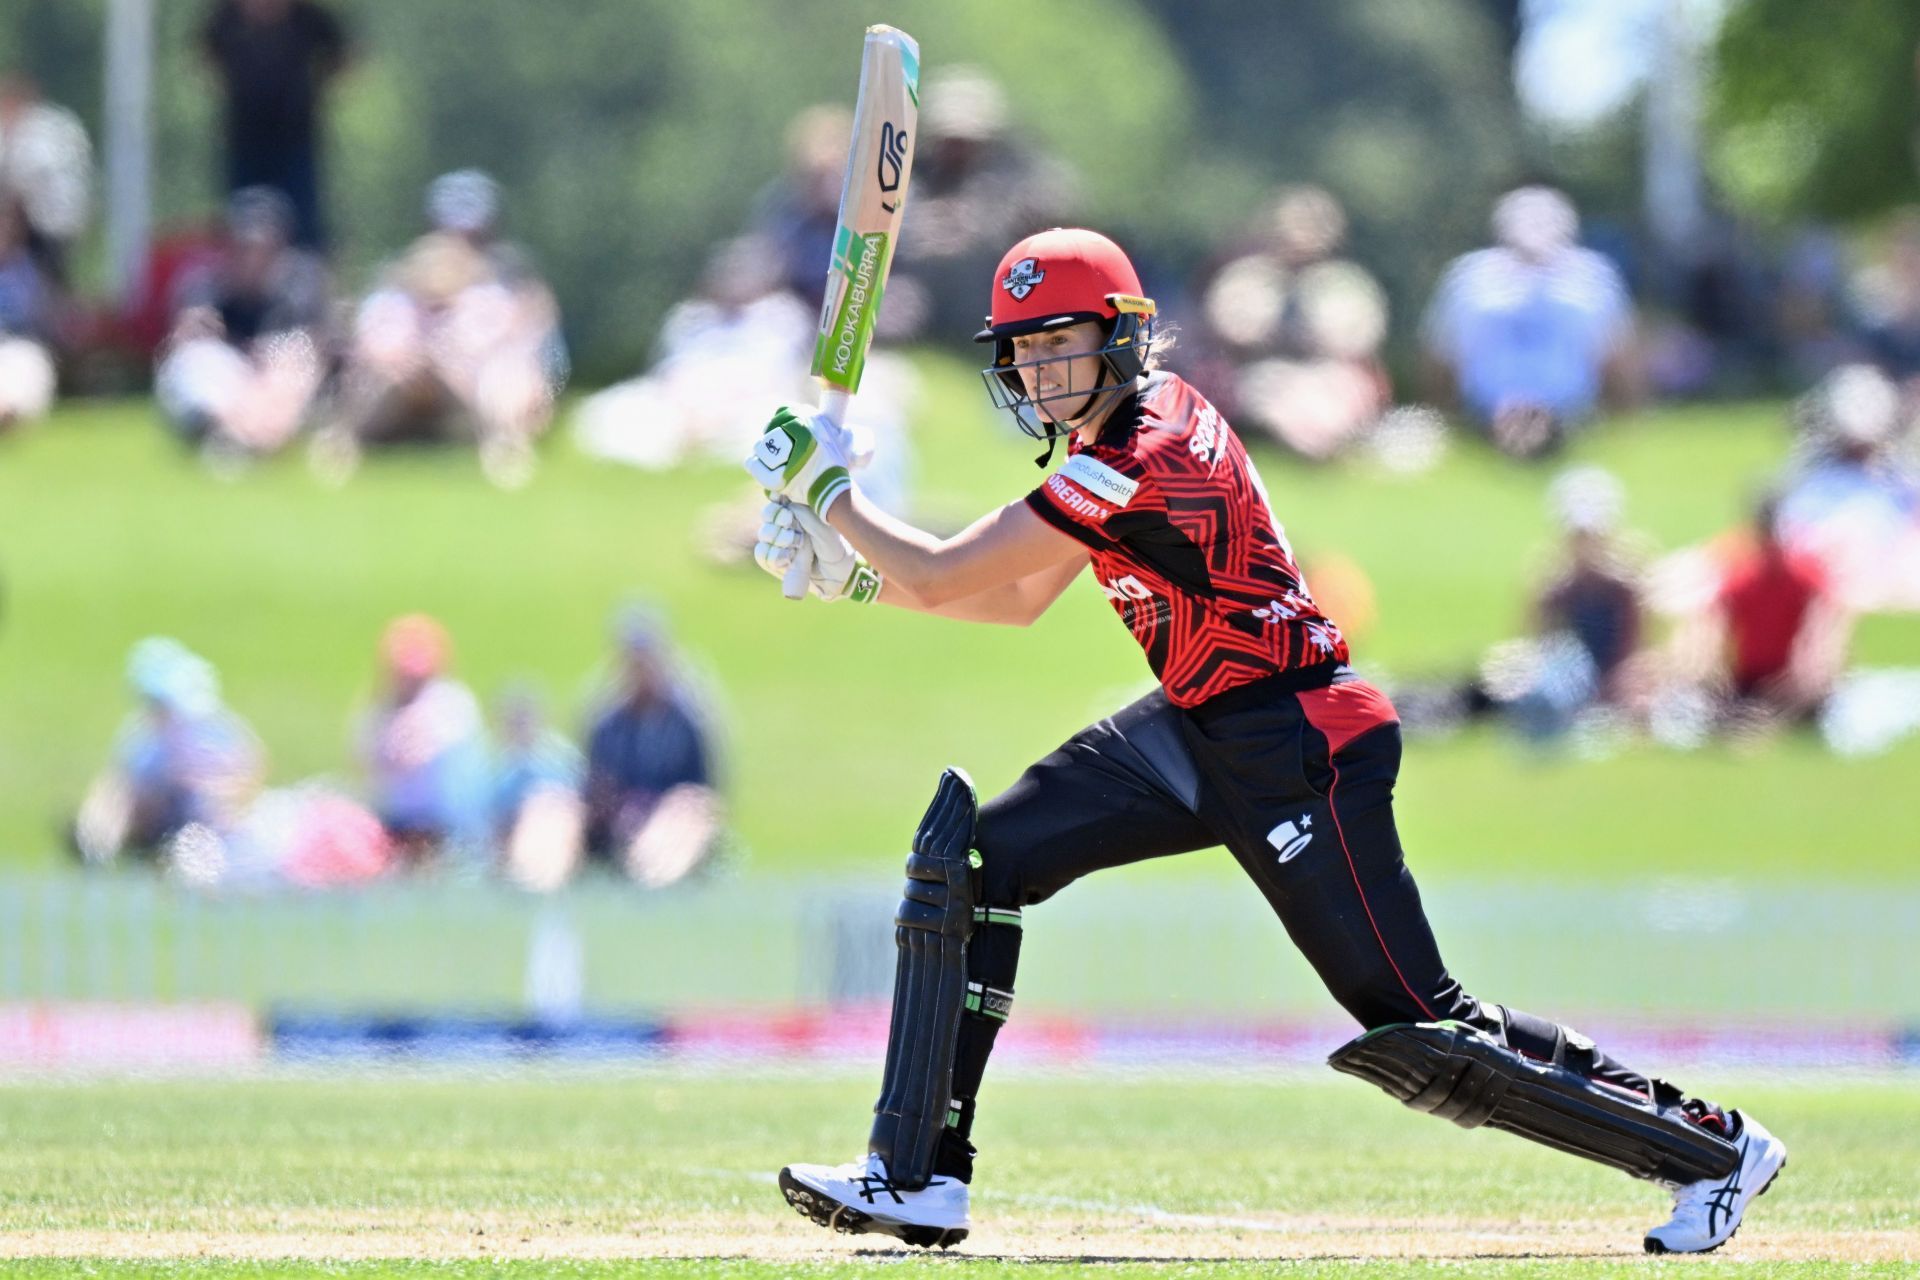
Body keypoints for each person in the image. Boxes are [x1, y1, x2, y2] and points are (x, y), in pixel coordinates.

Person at [746, 227, 1784, 1254]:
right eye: (1020, 348)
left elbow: (950, 570)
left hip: (1298, 739)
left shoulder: (1137, 455)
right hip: (1199, 724)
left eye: (1059, 341)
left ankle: (1714, 1149)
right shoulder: (1116, 439)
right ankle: (918, 1176)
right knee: (980, 859)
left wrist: (831, 494)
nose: (1038, 368)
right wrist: (857, 569)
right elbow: (1010, 598)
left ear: (1119, 336)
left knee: (1426, 1028)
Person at [320, 170, 565, 488]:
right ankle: (343, 445)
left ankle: (505, 448)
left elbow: (529, 348)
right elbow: (371, 343)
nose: (457, 244)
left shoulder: (508, 281)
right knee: (373, 376)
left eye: (470, 234)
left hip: (474, 391)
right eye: (447, 231)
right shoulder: (399, 278)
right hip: (404, 388)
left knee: (505, 375)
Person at [1422, 186, 1640, 458]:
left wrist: (1626, 416)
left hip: (1570, 413)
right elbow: (1442, 358)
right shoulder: (1470, 280)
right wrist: (1443, 418)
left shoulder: (1590, 279)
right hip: (1485, 414)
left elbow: (1618, 356)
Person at [154, 186, 330, 457]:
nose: (252, 257)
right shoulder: (203, 287)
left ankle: (245, 440)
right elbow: (184, 350)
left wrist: (264, 361)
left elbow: (308, 351)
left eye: (262, 248)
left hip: (275, 385)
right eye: (243, 247)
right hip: (227, 384)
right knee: (198, 360)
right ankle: (240, 436)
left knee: (292, 362)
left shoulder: (301, 286)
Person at [72, 638, 265, 865]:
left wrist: (215, 790)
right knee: (119, 800)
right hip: (163, 820)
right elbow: (120, 782)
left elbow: (249, 767)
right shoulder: (146, 737)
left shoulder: (211, 727)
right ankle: (95, 846)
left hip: (205, 821)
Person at [581, 608, 723, 887]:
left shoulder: (687, 718)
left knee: (684, 812)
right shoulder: (607, 722)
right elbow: (595, 786)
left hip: (678, 818)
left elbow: (705, 788)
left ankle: (655, 876)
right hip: (621, 824)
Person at [200, 0, 349, 249]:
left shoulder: (308, 17)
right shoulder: (225, 18)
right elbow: (204, 57)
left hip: (295, 137)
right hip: (244, 138)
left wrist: (317, 92)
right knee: (242, 220)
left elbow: (343, 55)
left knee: (303, 225)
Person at [357, 614, 492, 865]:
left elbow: (415, 754)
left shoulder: (452, 702)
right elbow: (367, 761)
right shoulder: (379, 710)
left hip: (444, 824)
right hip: (394, 820)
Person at [0, 70, 91, 284]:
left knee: (42, 282)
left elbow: (18, 189)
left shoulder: (34, 133)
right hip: (63, 220)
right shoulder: (58, 123)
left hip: (44, 223)